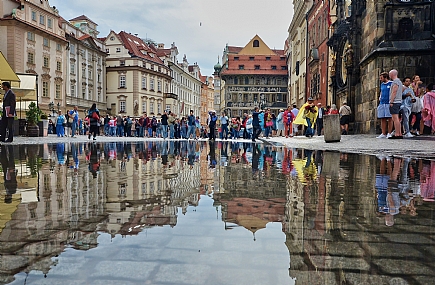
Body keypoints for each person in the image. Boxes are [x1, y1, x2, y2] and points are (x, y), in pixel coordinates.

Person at [388, 69, 404, 139]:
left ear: (392, 75)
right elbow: (402, 89)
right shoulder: (399, 82)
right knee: (397, 118)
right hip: (399, 101)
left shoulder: (395, 82)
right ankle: (399, 132)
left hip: (395, 101)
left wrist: (391, 101)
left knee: (395, 118)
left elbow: (394, 91)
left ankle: (397, 133)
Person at [377, 72, 393, 138]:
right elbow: (381, 91)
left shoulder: (391, 83)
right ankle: (383, 133)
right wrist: (380, 97)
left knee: (390, 118)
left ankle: (389, 132)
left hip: (388, 102)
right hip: (382, 103)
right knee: (382, 118)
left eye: (381, 78)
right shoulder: (382, 84)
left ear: (385, 77)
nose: (380, 79)